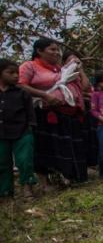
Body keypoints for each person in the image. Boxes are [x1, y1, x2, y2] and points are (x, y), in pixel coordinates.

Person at [18, 38, 90, 187]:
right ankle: (45, 184)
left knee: (66, 148)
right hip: (44, 115)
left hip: (67, 115)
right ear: (39, 51)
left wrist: (79, 69)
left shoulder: (61, 70)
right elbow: (20, 85)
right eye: (52, 49)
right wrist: (44, 95)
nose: (56, 52)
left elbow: (84, 87)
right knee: (45, 148)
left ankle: (68, 179)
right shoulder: (29, 66)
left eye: (58, 50)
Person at [0, 59, 37, 197]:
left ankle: (27, 187)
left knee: (25, 160)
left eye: (17, 73)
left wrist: (30, 129)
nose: (16, 76)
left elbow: (30, 113)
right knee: (2, 162)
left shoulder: (22, 93)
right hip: (1, 133)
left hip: (22, 132)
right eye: (11, 73)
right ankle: (5, 191)